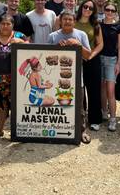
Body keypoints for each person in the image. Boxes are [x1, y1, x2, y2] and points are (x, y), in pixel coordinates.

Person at [48, 10, 92, 144]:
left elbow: (88, 56)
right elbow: (46, 58)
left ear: (74, 21)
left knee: (79, 105)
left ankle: (82, 130)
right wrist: (56, 48)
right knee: (56, 103)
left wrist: (78, 45)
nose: (67, 21)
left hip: (76, 77)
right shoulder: (53, 36)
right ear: (60, 21)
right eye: (65, 19)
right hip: (56, 77)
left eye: (70, 19)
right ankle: (55, 129)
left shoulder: (81, 35)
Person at [75, 0, 104, 131]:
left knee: (93, 91)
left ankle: (95, 120)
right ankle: (80, 118)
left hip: (91, 60)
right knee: (78, 91)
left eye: (90, 8)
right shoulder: (73, 22)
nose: (87, 9)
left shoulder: (95, 25)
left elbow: (100, 44)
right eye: (85, 6)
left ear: (93, 11)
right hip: (74, 61)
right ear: (81, 7)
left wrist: (91, 55)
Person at [99, 1, 120, 131]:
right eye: (107, 10)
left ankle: (113, 118)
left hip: (111, 60)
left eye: (112, 11)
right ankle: (104, 112)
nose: (109, 12)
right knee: (101, 88)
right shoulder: (99, 25)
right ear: (104, 10)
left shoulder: (119, 27)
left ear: (115, 13)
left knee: (110, 90)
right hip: (99, 59)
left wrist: (118, 63)